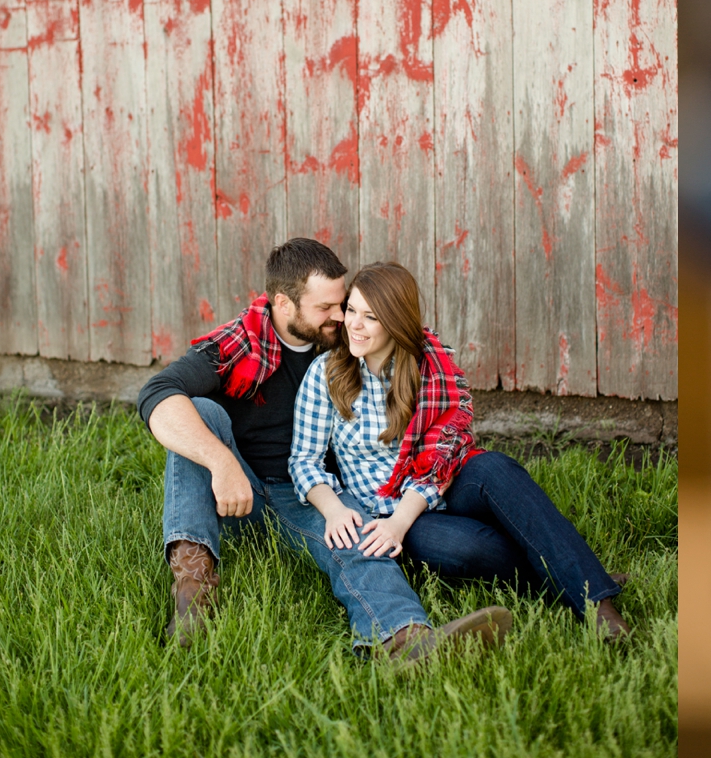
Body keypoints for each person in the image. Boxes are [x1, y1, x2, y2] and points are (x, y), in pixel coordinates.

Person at [139, 237, 510, 661]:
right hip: (234, 496)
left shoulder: (345, 339)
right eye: (327, 308)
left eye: (344, 303)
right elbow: (156, 393)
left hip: (307, 491)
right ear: (283, 303)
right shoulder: (238, 344)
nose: (341, 317)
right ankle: (193, 599)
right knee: (198, 412)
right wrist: (222, 463)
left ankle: (402, 640)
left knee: (354, 537)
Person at [289, 262, 630, 638]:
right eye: (351, 310)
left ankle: (600, 607)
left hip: (444, 482)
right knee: (466, 546)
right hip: (387, 512)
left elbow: (447, 449)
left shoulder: (432, 366)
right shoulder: (327, 374)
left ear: (396, 321)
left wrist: (403, 518)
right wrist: (336, 510)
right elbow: (304, 460)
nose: (353, 324)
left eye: (370, 317)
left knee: (496, 469)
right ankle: (572, 573)